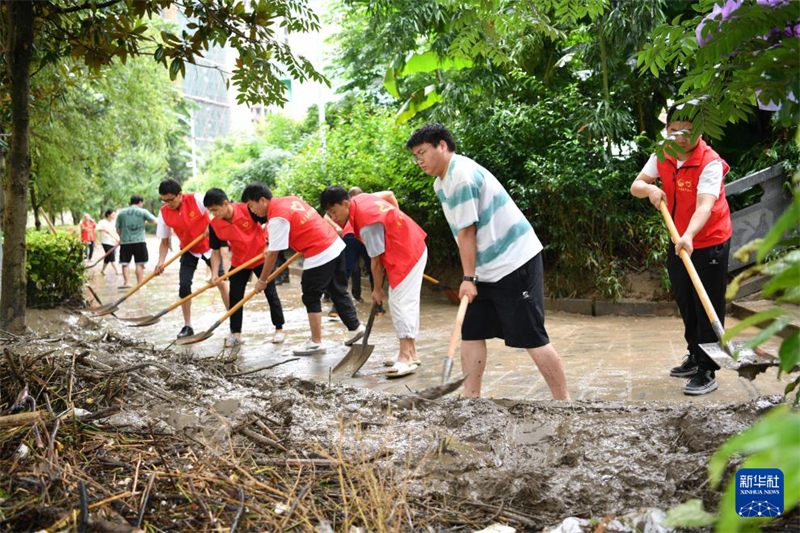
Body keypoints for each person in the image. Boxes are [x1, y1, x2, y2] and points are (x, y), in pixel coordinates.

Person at [406, 123, 570, 400]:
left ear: (442, 146)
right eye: (416, 156)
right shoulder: (441, 182)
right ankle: (471, 399)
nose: (419, 160)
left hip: (513, 261)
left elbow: (467, 231)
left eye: (422, 152)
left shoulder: (462, 177)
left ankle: (563, 400)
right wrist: (473, 275)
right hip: (484, 268)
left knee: (531, 335)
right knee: (471, 331)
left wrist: (468, 279)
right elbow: (465, 232)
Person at [630, 104, 731, 396]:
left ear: (700, 130)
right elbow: (636, 185)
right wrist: (650, 190)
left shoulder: (709, 162)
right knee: (687, 301)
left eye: (687, 130)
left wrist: (688, 235)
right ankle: (694, 355)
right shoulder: (662, 154)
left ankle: (708, 368)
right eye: (674, 131)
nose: (680, 137)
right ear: (666, 131)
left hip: (708, 240)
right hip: (679, 241)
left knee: (707, 303)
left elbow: (705, 205)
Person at [241, 182, 364, 356]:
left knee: (311, 295)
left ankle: (315, 342)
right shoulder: (290, 200)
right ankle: (355, 327)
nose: (251, 211)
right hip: (335, 244)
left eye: (251, 206)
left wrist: (262, 280)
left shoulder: (277, 217)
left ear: (262, 200)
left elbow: (273, 253)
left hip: (320, 251)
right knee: (338, 290)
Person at [321, 186, 428, 377]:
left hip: (408, 252)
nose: (333, 217)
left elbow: (376, 262)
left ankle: (406, 358)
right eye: (329, 214)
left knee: (400, 303)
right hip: (408, 245)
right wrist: (397, 221)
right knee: (403, 302)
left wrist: (377, 290)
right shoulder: (360, 199)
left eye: (334, 212)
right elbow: (388, 194)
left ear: (346, 203)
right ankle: (412, 353)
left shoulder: (366, 223)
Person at [203, 188, 286, 347]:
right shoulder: (214, 225)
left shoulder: (248, 209)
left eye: (216, 210)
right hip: (240, 262)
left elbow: (269, 222)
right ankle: (236, 334)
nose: (214, 214)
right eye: (211, 211)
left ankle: (279, 329)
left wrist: (268, 243)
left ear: (226, 203)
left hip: (261, 256)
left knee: (271, 293)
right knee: (235, 298)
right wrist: (214, 274)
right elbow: (215, 252)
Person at [154, 179, 231, 339]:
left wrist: (210, 226)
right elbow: (164, 241)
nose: (169, 203)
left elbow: (218, 209)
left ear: (180, 194)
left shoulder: (196, 199)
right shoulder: (164, 213)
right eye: (165, 200)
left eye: (171, 199)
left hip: (210, 247)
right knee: (184, 287)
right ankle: (187, 325)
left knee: (222, 282)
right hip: (189, 249)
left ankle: (233, 320)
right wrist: (161, 261)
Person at [115, 194, 157, 288]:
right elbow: (154, 221)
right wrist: (144, 222)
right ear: (140, 202)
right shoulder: (142, 212)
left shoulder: (122, 213)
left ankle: (127, 283)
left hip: (125, 241)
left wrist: (121, 237)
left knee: (125, 263)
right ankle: (139, 284)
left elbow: (118, 229)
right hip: (139, 241)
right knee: (139, 263)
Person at [96, 209, 120, 275]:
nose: (114, 216)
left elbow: (116, 231)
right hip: (106, 241)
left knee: (108, 256)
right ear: (108, 215)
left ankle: (102, 270)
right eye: (113, 214)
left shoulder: (114, 222)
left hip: (113, 241)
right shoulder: (102, 222)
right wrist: (105, 230)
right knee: (111, 256)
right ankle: (117, 270)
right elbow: (98, 229)